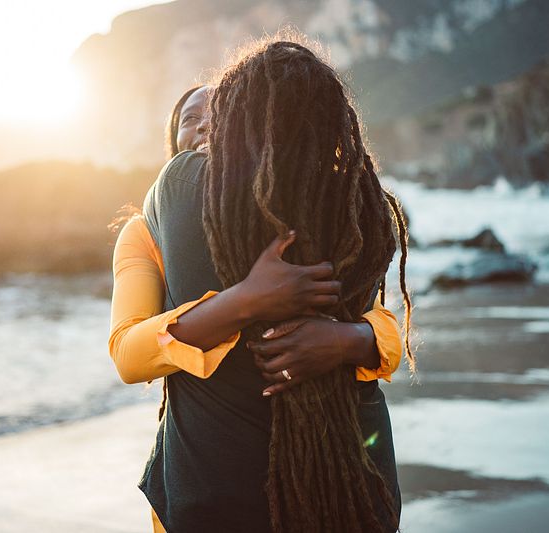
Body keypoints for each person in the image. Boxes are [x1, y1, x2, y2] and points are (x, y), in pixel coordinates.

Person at [109, 35, 412, 532]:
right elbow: (128, 352)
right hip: (207, 467)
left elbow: (383, 326)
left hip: (336, 470)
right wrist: (243, 302)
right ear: (172, 144)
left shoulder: (320, 204)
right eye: (190, 119)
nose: (205, 126)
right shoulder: (146, 231)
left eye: (221, 113)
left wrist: (344, 339)